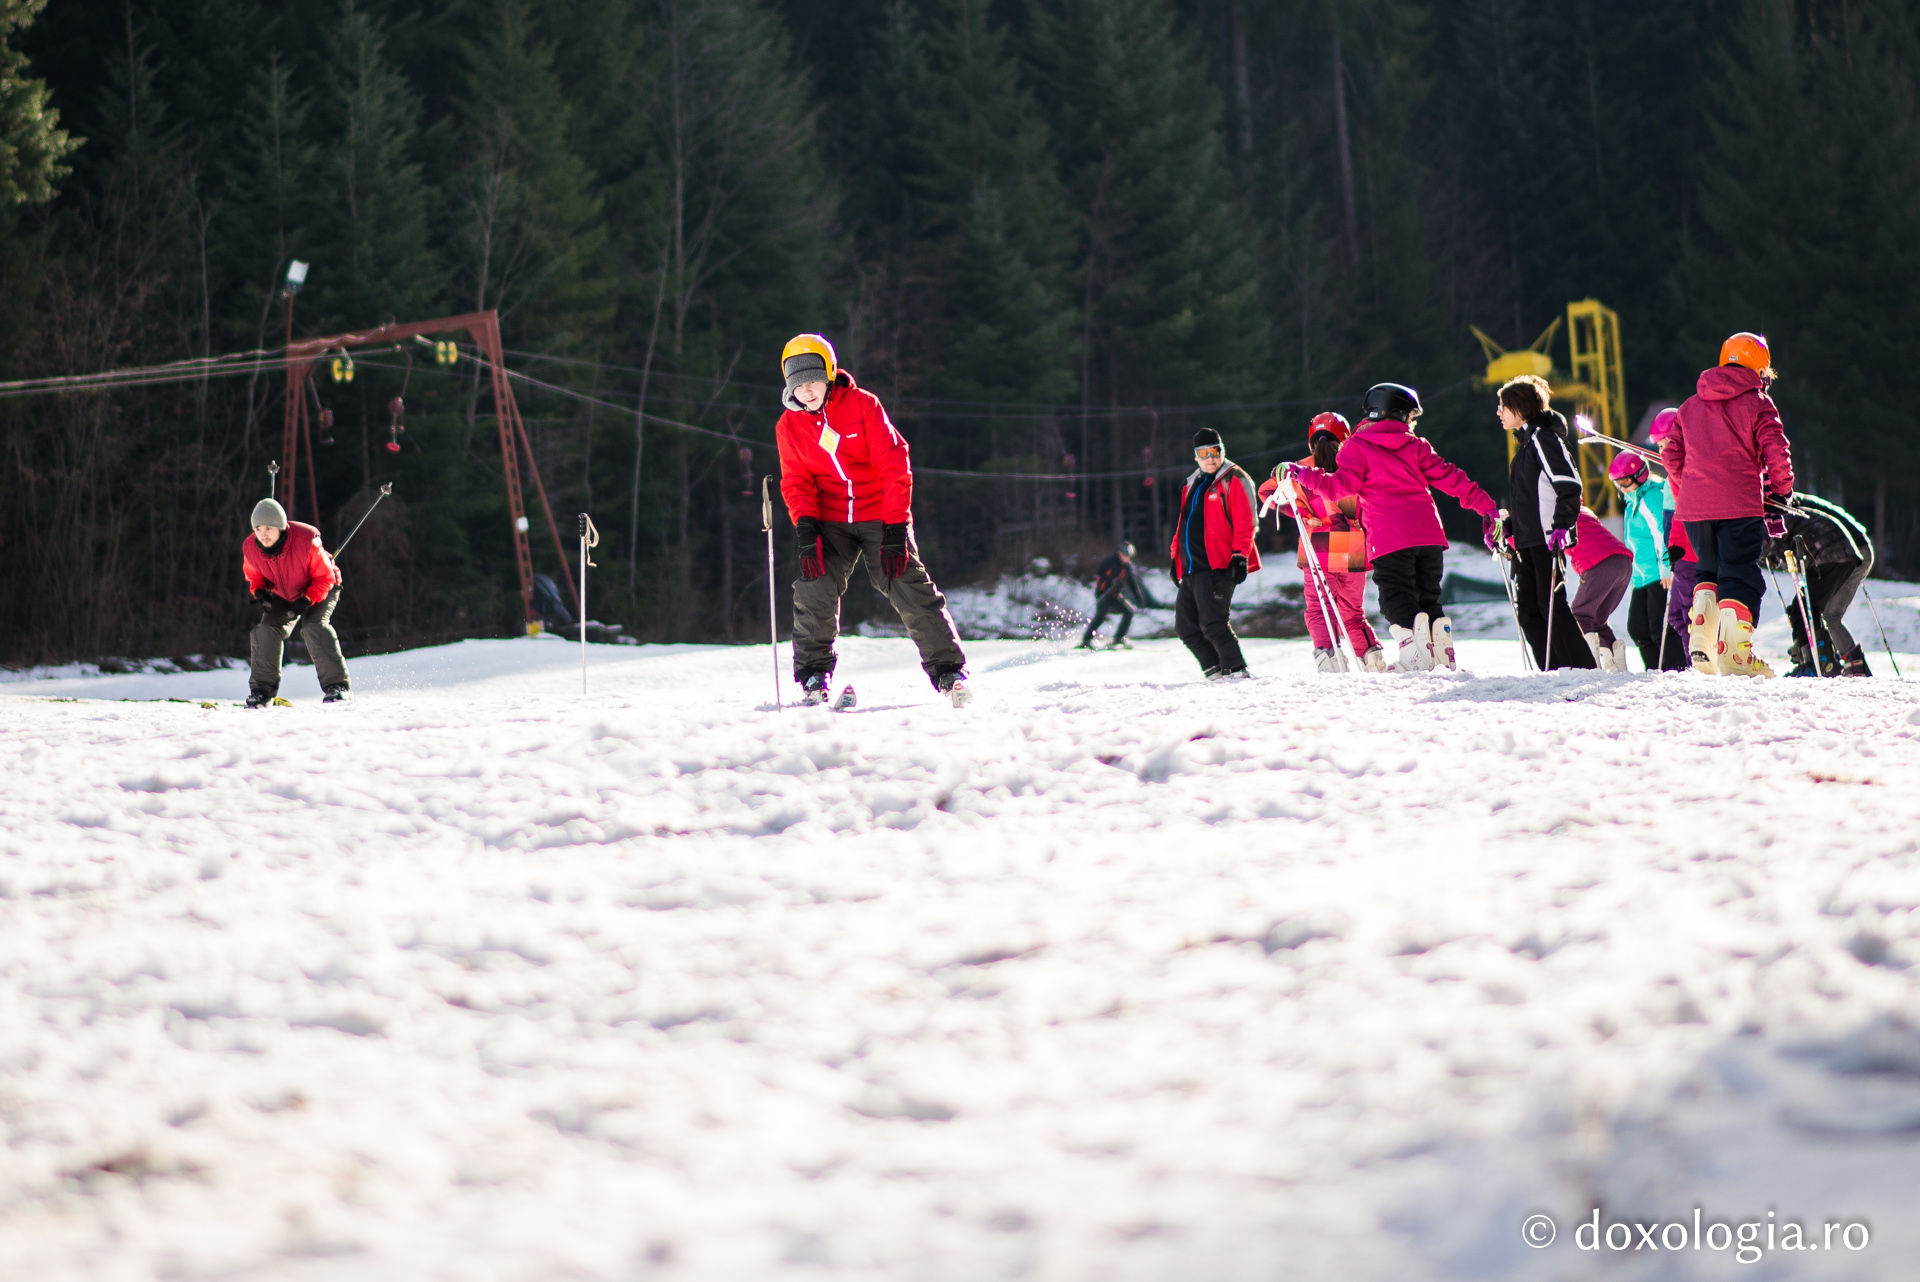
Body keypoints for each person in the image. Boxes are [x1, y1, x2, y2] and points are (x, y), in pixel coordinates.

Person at [775, 333, 972, 708]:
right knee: (814, 584)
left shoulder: (863, 405)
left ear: (829, 373)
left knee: (903, 579)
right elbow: (796, 481)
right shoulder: (789, 426)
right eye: (798, 384)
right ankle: (815, 673)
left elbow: (893, 462)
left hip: (880, 512)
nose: (808, 390)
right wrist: (805, 527)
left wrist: (896, 527)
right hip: (830, 518)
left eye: (814, 379)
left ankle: (948, 671)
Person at [1285, 383, 1500, 672]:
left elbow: (1338, 488)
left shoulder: (1355, 448)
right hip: (1429, 537)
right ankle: (1441, 656)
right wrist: (1486, 508)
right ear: (1396, 414)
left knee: (1395, 597)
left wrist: (1302, 474)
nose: (1412, 423)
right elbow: (1452, 478)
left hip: (1389, 538)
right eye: (1411, 417)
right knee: (1428, 597)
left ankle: (1416, 658)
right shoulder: (1416, 445)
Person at [1661, 332, 1795, 678]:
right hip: (1739, 504)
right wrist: (1781, 492)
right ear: (1758, 368)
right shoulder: (1758, 402)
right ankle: (1735, 656)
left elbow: (1671, 454)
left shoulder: (1690, 405)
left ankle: (1702, 642)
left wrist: (1691, 482)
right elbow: (1776, 450)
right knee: (1740, 574)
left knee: (1707, 570)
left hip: (1694, 508)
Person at [1261, 411, 1384, 672]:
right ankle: (1371, 658)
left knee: (1319, 608)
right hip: (1352, 544)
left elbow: (1267, 492)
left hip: (1318, 546)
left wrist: (1303, 514)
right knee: (1352, 611)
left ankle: (1329, 661)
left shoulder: (1300, 468)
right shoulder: (1354, 465)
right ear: (1346, 437)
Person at [1496, 374, 1596, 670]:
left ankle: (1581, 669)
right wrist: (1508, 528)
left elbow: (1569, 484)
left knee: (1550, 605)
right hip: (1528, 541)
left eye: (1503, 406)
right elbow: (1529, 502)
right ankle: (1551, 670)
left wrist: (1562, 526)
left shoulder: (1544, 438)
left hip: (1547, 538)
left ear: (1520, 407)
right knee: (1527, 610)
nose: (1499, 413)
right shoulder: (1525, 447)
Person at [1169, 428, 1261, 680]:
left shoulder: (1235, 479)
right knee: (1186, 627)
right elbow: (1184, 523)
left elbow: (1246, 523)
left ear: (1222, 451)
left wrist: (1240, 556)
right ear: (1196, 456)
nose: (1211, 457)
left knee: (1213, 623)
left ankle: (1237, 672)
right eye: (1204, 453)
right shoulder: (1192, 483)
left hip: (1218, 565)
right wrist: (1175, 558)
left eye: (1215, 451)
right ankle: (1216, 673)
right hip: (1191, 566)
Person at [242, 498, 349, 706]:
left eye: (269, 528)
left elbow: (324, 578)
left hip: (320, 588)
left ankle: (337, 686)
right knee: (265, 631)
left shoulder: (306, 541)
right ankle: (261, 692)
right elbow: (254, 576)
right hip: (283, 593)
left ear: (281, 527)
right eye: (258, 528)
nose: (263, 534)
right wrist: (260, 591)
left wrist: (307, 600)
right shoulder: (250, 547)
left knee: (313, 627)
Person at [1764, 491, 1875, 677]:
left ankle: (1819, 663)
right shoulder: (1795, 503)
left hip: (1846, 552)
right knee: (1828, 614)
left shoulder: (1789, 509)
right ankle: (1851, 667)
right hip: (1851, 549)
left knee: (1814, 610)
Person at [1609, 444, 1688, 671]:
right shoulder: (1632, 501)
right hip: (1643, 577)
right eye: (1618, 483)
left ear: (1639, 474)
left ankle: (1673, 671)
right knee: (1638, 629)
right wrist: (1635, 578)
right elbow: (1634, 543)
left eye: (1624, 481)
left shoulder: (1651, 497)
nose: (1621, 488)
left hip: (1658, 573)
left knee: (1659, 628)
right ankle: (1655, 671)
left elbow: (1661, 532)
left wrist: (1666, 567)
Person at [1566, 506, 1633, 671]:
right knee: (1597, 618)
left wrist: (1507, 537)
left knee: (1580, 613)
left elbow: (1534, 540)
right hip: (1622, 562)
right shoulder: (1582, 510)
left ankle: (1590, 666)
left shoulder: (1557, 513)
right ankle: (1616, 664)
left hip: (1600, 564)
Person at [1078, 542, 1151, 650]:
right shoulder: (1110, 562)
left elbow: (1132, 583)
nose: (1128, 559)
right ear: (1120, 554)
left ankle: (1118, 638)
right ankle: (1086, 640)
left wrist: (1139, 598)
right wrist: (1111, 580)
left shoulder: (1127, 567)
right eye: (1126, 556)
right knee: (1101, 616)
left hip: (1115, 595)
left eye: (1129, 557)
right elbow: (1101, 574)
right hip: (1104, 593)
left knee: (1129, 612)